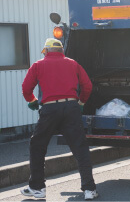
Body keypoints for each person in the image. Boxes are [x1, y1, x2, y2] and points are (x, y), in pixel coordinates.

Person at [21, 38, 98, 200]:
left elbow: (26, 88)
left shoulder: (38, 65)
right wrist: (81, 102)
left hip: (49, 109)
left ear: (46, 51)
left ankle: (37, 188)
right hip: (71, 108)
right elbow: (87, 85)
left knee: (38, 146)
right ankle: (89, 189)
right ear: (61, 51)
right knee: (80, 148)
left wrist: (33, 101)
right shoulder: (73, 64)